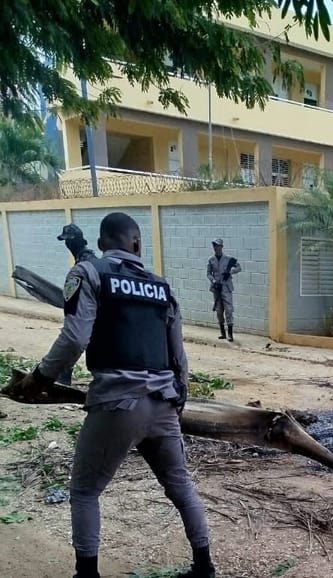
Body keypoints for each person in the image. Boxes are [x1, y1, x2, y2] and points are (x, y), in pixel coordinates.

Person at [15, 212, 215, 578]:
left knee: (85, 490)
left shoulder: (88, 274)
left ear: (103, 242)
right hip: (163, 404)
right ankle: (204, 567)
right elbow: (179, 359)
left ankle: (87, 575)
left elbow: (75, 338)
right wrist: (176, 400)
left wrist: (39, 379)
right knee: (181, 487)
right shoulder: (162, 287)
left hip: (118, 403)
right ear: (137, 243)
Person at [56, 223, 97, 386]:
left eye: (68, 241)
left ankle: (63, 376)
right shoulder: (91, 260)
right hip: (96, 312)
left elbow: (72, 303)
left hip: (90, 312)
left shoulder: (82, 266)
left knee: (74, 337)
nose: (67, 245)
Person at [206, 238, 241, 342]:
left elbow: (239, 267)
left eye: (218, 246)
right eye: (214, 246)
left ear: (221, 247)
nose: (216, 248)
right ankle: (223, 333)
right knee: (219, 310)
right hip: (217, 288)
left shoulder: (228, 259)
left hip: (226, 287)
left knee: (229, 310)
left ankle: (230, 334)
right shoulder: (211, 260)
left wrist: (230, 272)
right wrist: (213, 281)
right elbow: (208, 273)